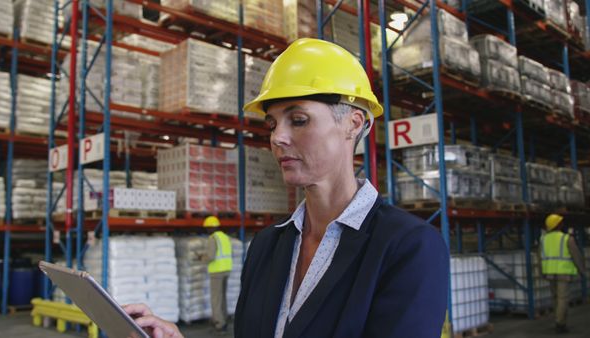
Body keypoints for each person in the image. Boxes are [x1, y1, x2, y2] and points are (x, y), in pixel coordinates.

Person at [124, 38, 449, 338]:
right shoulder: (266, 247)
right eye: (272, 123)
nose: (277, 137)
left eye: (298, 120)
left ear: (353, 124)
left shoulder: (407, 247)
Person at [539, 213, 586, 334]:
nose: (563, 223)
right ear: (557, 225)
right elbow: (576, 256)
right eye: (561, 222)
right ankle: (560, 323)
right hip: (563, 273)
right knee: (563, 299)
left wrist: (542, 272)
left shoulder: (543, 239)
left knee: (555, 298)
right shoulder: (567, 238)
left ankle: (558, 319)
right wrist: (582, 271)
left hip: (550, 272)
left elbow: (540, 257)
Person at [201, 216, 233, 335]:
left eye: (207, 228)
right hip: (226, 270)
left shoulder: (213, 238)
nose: (206, 231)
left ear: (210, 228)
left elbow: (211, 256)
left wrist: (201, 258)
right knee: (222, 297)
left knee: (216, 299)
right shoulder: (225, 237)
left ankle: (219, 324)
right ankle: (224, 319)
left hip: (217, 271)